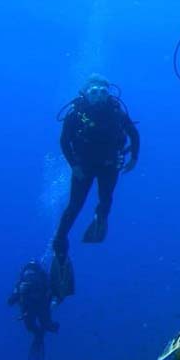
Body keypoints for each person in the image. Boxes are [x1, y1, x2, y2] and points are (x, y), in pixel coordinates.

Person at [52, 74, 140, 264]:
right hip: (83, 167)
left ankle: (100, 219)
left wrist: (134, 158)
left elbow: (134, 134)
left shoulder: (116, 111)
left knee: (106, 199)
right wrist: (73, 166)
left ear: (108, 94)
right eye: (94, 92)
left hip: (109, 165)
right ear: (86, 93)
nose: (99, 96)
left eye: (102, 92)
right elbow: (64, 142)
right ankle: (59, 241)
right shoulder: (76, 114)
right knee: (75, 205)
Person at [7, 260, 60, 360]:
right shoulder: (22, 285)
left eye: (32, 274)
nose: (30, 277)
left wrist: (53, 300)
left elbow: (54, 293)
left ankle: (42, 333)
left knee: (46, 325)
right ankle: (40, 335)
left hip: (42, 306)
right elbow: (10, 301)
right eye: (28, 274)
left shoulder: (43, 281)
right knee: (33, 327)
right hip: (30, 309)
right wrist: (19, 292)